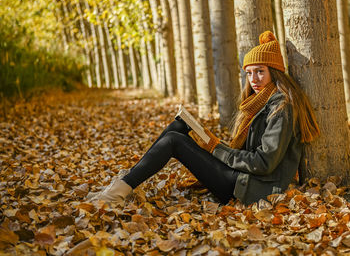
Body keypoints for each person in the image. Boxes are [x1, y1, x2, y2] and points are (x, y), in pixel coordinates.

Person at [88, 31, 320, 206]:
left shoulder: (282, 107)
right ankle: (126, 182)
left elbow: (263, 163)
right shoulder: (261, 102)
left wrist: (215, 148)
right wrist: (212, 145)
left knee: (173, 141)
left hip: (251, 187)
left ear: (274, 72)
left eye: (260, 71)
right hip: (242, 177)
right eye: (249, 73)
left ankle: (117, 192)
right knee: (180, 126)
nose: (254, 79)